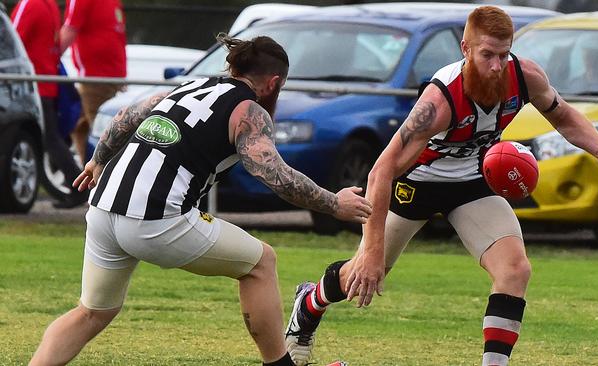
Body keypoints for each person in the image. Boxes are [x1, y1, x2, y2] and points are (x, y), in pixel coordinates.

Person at [284, 6, 598, 366]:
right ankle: (310, 301)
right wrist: (373, 249)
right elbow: (382, 170)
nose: (496, 65)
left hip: (472, 181)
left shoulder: (525, 76)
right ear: (465, 49)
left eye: (503, 55)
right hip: (415, 184)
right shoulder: (440, 100)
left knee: (515, 270)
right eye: (487, 54)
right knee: (362, 276)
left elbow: (563, 115)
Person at [28, 34, 372, 366]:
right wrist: (335, 203)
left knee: (92, 311)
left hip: (102, 208)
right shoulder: (250, 112)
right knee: (261, 263)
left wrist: (98, 160)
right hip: (155, 219)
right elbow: (275, 175)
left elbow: (127, 116)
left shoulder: (189, 86)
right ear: (274, 82)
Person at [11, 0, 87, 208]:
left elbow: (11, 39)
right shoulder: (49, 5)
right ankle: (77, 186)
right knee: (50, 140)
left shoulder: (31, 4)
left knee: (48, 140)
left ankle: (78, 186)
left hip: (31, 85)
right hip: (46, 82)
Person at [59, 0, 127, 164]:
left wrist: (40, 64)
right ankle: (84, 177)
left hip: (95, 78)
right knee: (80, 126)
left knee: (104, 137)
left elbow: (69, 30)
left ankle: (102, 181)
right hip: (110, 75)